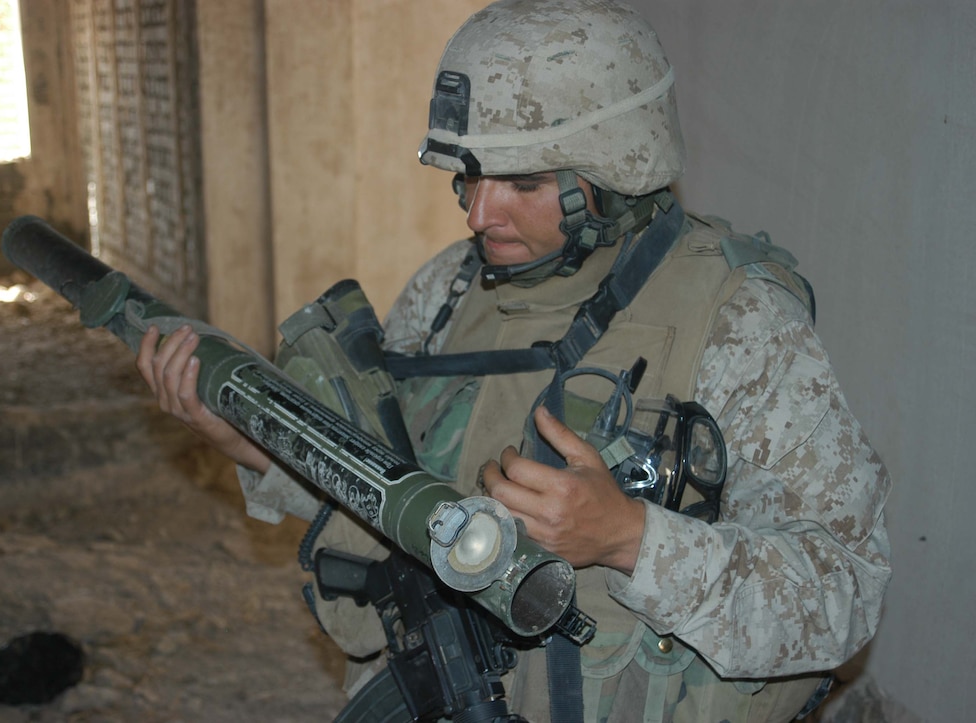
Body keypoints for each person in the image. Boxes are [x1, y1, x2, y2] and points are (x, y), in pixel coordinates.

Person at [136, 1, 891, 721]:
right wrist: (249, 440)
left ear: (616, 168)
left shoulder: (738, 318)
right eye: (468, 175)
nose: (477, 213)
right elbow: (386, 497)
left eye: (522, 182)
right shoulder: (446, 289)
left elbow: (843, 594)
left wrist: (632, 538)